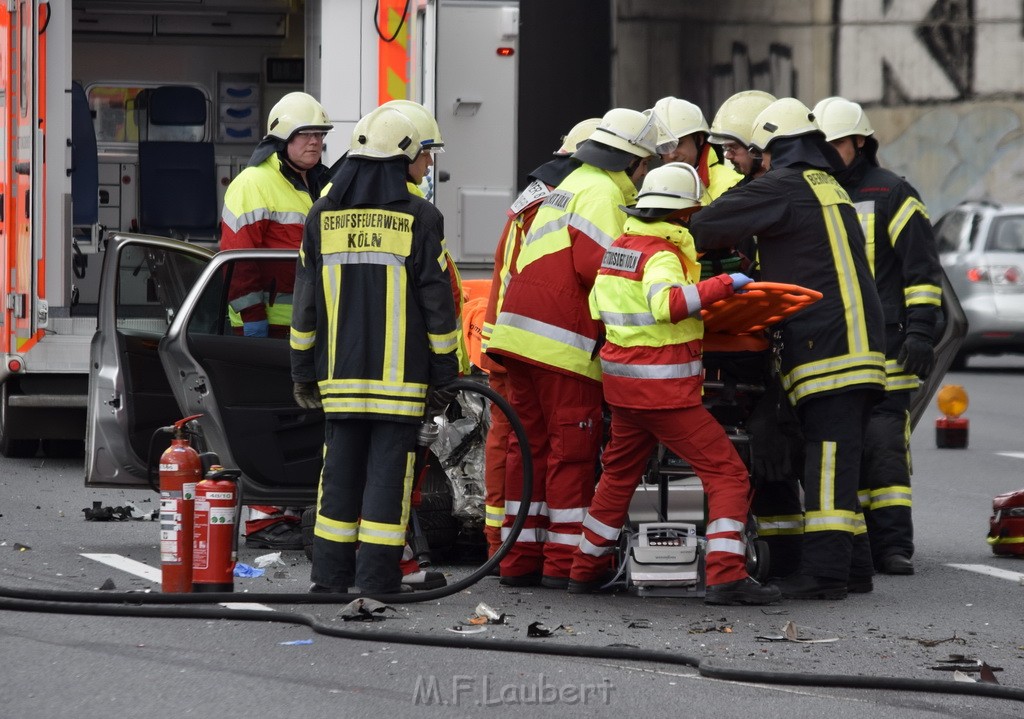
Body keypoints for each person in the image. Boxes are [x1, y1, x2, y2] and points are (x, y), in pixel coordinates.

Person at [689, 98, 887, 600]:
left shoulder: (781, 185)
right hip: (851, 341)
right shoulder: (827, 185)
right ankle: (854, 569)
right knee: (836, 462)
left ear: (768, 149)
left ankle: (823, 577)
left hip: (831, 347)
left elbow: (706, 226)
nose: (737, 159)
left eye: (744, 151)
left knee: (826, 462)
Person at [567, 162, 782, 606]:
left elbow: (604, 311)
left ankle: (584, 570)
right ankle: (726, 576)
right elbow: (668, 304)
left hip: (624, 390)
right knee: (728, 475)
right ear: (682, 214)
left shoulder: (618, 249)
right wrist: (725, 284)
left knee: (617, 478)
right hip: (664, 392)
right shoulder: (662, 254)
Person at [485, 108, 661, 588]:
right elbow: (601, 270)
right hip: (562, 345)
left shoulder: (569, 185)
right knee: (573, 452)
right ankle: (565, 562)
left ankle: (519, 559)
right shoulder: (603, 194)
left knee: (529, 448)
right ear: (632, 161)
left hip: (520, 336)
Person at [290, 106, 459, 594]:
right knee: (388, 484)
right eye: (423, 156)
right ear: (401, 157)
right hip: (399, 384)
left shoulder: (321, 217)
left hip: (337, 382)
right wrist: (446, 375)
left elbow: (305, 307)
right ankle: (377, 581)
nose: (427, 166)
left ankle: (329, 580)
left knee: (336, 481)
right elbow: (437, 307)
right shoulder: (422, 218)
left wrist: (302, 371)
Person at [814, 96, 944, 577]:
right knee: (840, 445)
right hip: (832, 347)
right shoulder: (813, 193)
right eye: (819, 143)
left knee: (883, 444)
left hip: (889, 349)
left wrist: (921, 333)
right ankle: (857, 546)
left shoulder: (893, 194)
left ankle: (893, 547)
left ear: (860, 142)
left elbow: (922, 272)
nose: (828, 151)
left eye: (836, 143)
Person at [478, 118, 600, 558]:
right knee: (542, 444)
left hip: (510, 337)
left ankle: (507, 546)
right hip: (538, 342)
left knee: (518, 445)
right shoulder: (571, 198)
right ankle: (508, 544)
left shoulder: (537, 194)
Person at [220, 91, 333, 550]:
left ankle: (282, 510)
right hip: (264, 327)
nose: (315, 144)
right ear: (280, 137)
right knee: (271, 421)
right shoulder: (253, 183)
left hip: (303, 327)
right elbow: (239, 263)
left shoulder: (314, 185)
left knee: (296, 420)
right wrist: (253, 324)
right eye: (305, 135)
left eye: (321, 136)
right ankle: (263, 520)